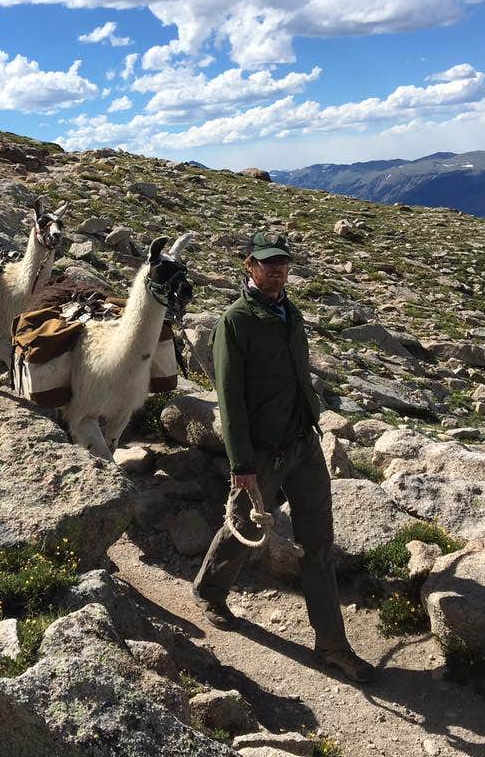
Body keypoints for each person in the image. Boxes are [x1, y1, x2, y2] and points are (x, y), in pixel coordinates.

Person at [192, 231, 376, 683]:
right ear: (249, 265)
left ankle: (331, 643)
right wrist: (241, 464)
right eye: (267, 262)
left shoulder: (289, 312)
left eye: (283, 263)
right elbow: (229, 398)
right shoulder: (235, 321)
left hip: (303, 442)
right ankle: (210, 589)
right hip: (262, 451)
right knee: (246, 525)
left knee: (319, 542)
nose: (277, 269)